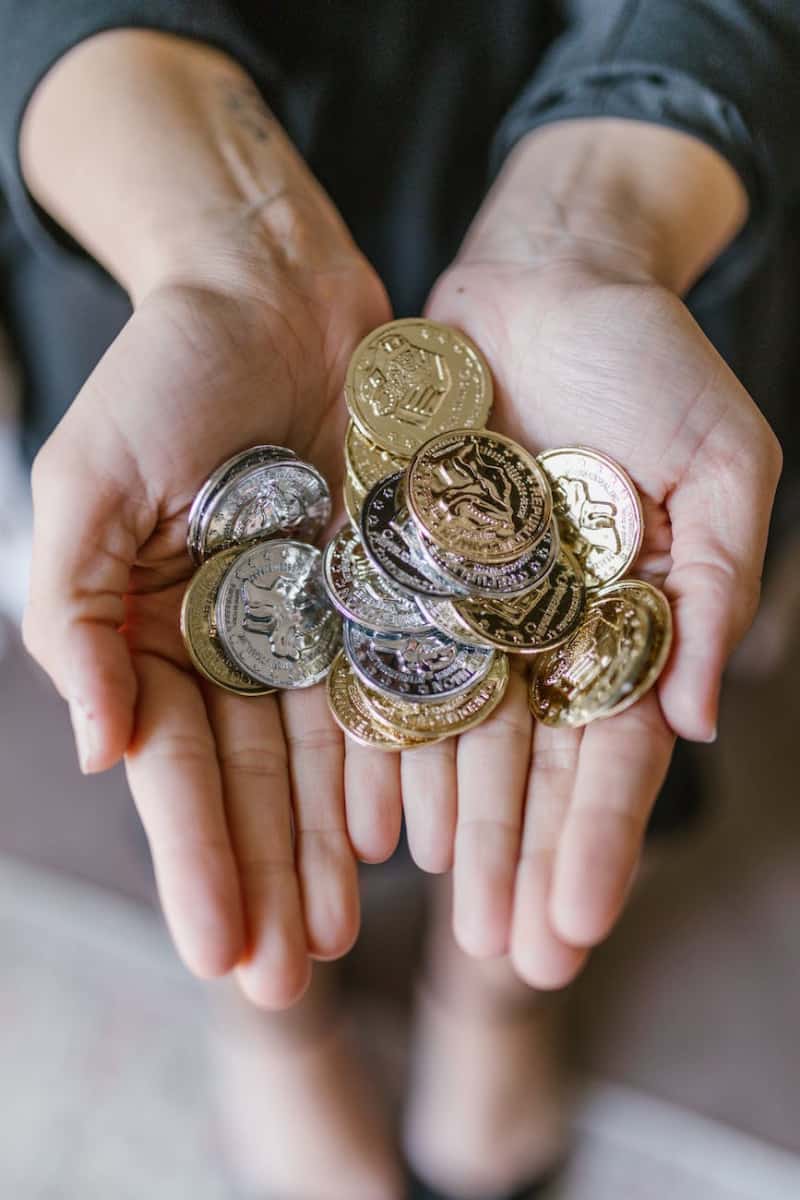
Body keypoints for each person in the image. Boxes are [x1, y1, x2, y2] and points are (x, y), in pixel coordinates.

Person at [1, 4, 796, 1197]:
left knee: (584, 721)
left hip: (619, 155)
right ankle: (276, 1015)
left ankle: (495, 995)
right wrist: (218, 232)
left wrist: (607, 206)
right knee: (172, 685)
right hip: (156, 187)